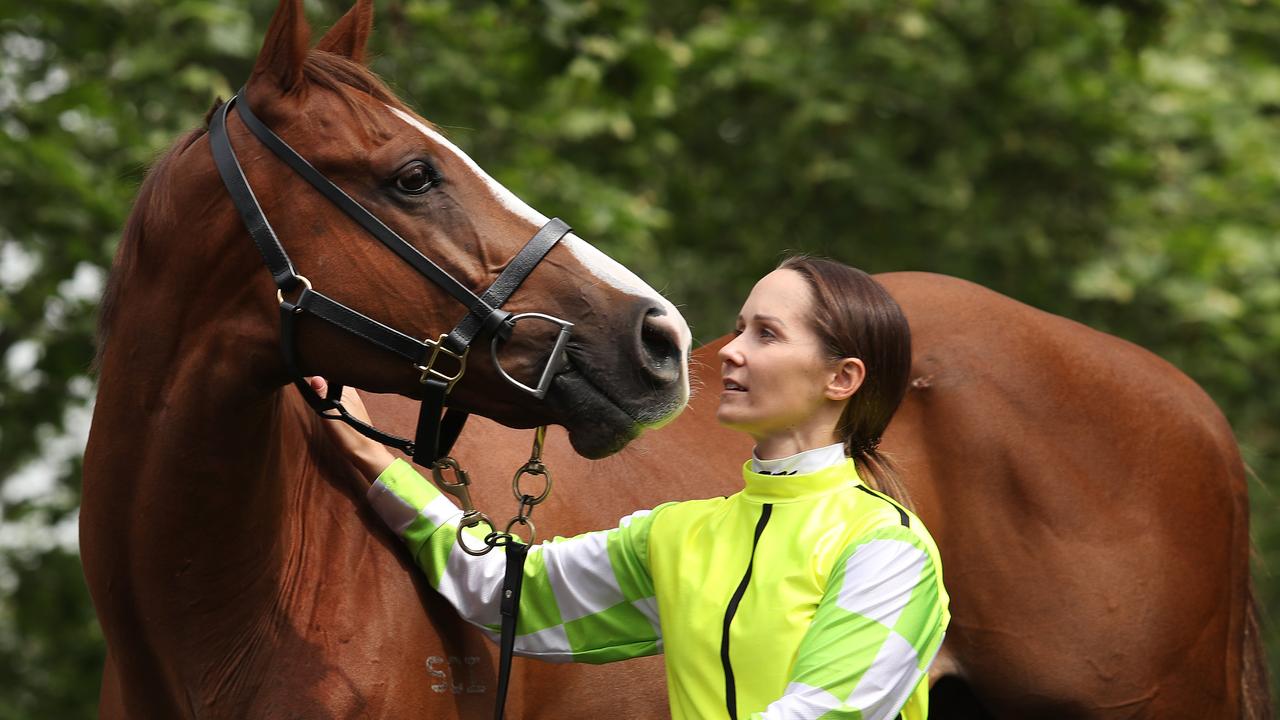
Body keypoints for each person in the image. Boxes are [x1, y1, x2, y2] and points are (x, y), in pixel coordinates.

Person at [316, 256, 949, 720]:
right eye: (739, 326)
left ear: (842, 378)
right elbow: (507, 594)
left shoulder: (889, 551)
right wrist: (376, 458)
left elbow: (824, 714)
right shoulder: (680, 535)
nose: (728, 350)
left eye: (767, 334)